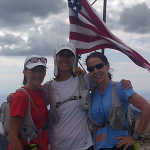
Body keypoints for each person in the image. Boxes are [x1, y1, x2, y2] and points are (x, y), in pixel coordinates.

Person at [7, 42, 132, 150]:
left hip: (85, 145)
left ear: (74, 58)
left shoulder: (84, 79)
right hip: (58, 145)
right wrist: (15, 95)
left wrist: (125, 83)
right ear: (56, 58)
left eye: (69, 55)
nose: (65, 59)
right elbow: (32, 97)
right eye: (61, 55)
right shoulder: (48, 87)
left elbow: (105, 81)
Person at [85, 51, 150, 150]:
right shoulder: (92, 95)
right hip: (97, 146)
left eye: (99, 66)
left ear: (107, 66)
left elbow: (146, 107)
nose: (95, 71)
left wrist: (136, 137)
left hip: (119, 146)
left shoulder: (120, 88)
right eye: (91, 69)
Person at [8, 55, 49, 150]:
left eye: (41, 70)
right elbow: (12, 135)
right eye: (33, 70)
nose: (38, 74)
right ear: (25, 72)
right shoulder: (21, 96)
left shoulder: (41, 91)